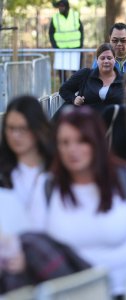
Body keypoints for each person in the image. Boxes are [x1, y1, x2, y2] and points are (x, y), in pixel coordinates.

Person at [28, 106, 126, 298]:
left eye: (82, 141)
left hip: (125, 290)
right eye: (65, 142)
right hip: (67, 293)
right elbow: (35, 240)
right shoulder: (46, 187)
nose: (73, 150)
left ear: (96, 142)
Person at [0, 96, 52, 291]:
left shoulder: (58, 168)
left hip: (51, 264)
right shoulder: (3, 173)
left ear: (37, 128)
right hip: (10, 270)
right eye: (11, 129)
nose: (16, 136)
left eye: (23, 129)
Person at [59, 43, 124, 113]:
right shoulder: (85, 74)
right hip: (86, 121)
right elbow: (64, 89)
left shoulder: (125, 78)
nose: (106, 61)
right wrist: (74, 99)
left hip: (115, 122)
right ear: (97, 60)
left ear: (115, 59)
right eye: (102, 58)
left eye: (109, 58)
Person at [49, 0, 84, 83]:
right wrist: (54, 46)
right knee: (62, 73)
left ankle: (77, 90)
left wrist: (80, 44)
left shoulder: (75, 15)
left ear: (67, 7)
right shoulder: (55, 17)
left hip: (75, 49)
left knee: (76, 73)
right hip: (61, 50)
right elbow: (51, 33)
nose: (60, 8)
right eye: (59, 6)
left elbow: (81, 30)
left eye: (62, 6)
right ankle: (63, 91)